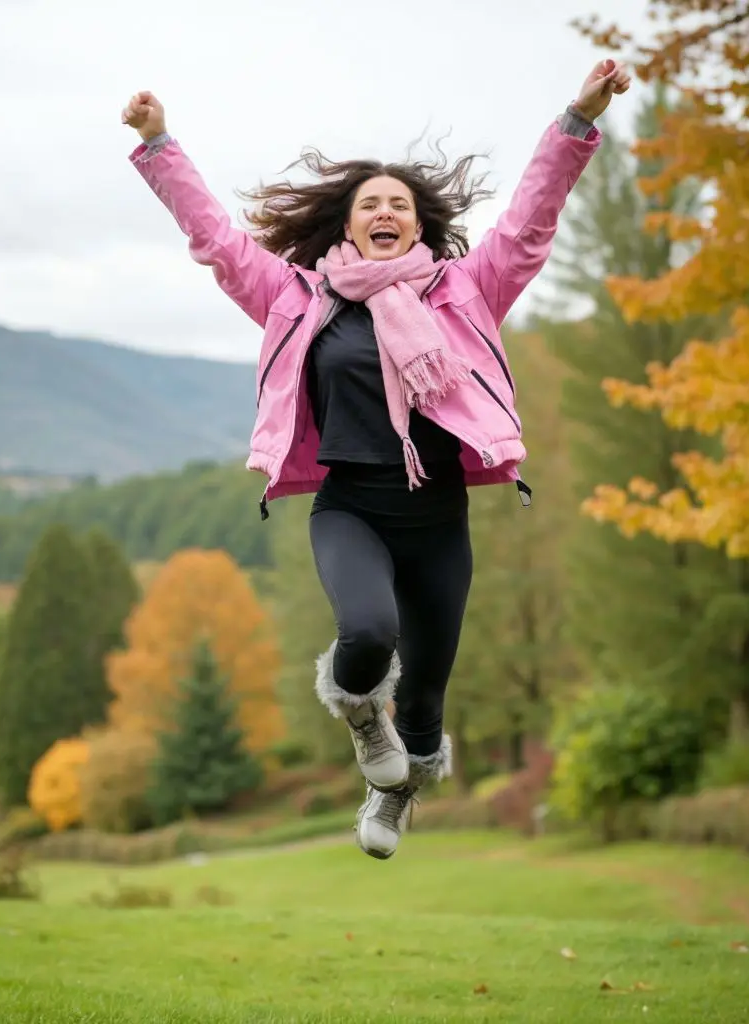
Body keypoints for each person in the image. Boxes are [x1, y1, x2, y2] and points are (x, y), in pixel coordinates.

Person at [121, 59, 630, 860]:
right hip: (351, 510)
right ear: (349, 227)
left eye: (399, 204)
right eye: (371, 205)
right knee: (367, 633)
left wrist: (576, 121)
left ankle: (392, 792)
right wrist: (158, 145)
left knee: (425, 701)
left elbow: (531, 221)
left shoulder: (466, 290)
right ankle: (363, 721)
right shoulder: (296, 298)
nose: (386, 212)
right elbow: (218, 244)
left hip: (438, 522)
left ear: (417, 224)